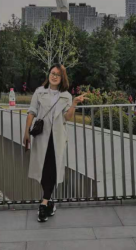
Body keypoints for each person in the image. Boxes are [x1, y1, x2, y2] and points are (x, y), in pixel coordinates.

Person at [23, 64, 88, 222]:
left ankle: (44, 203)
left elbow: (67, 117)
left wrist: (74, 103)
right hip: (41, 136)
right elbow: (31, 111)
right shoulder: (39, 92)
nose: (54, 76)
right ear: (49, 74)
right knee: (42, 169)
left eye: (58, 75)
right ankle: (49, 202)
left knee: (52, 169)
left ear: (62, 78)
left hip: (57, 138)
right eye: (52, 73)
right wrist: (26, 132)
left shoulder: (66, 96)